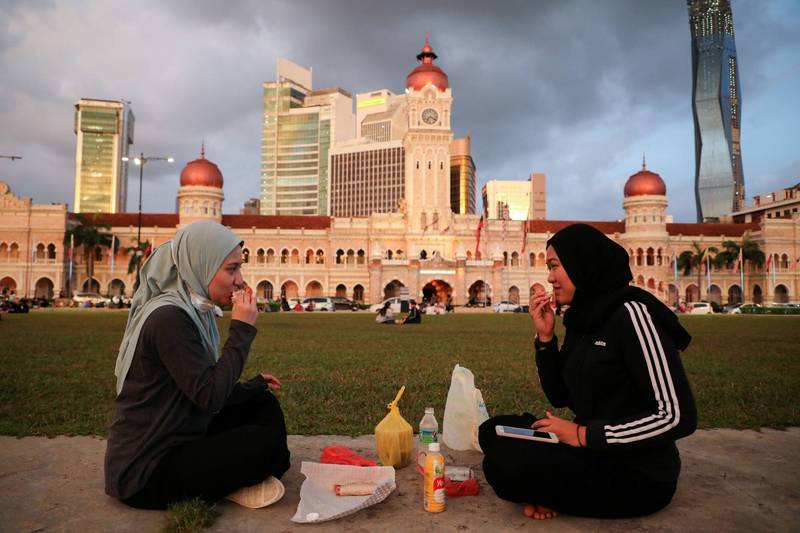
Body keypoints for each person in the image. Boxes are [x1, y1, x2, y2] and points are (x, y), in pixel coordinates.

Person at [479, 223, 696, 520]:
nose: (550, 277)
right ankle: (551, 489)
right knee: (492, 431)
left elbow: (677, 416)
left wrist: (582, 434)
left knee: (504, 466)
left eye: (555, 266)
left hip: (639, 473)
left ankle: (549, 490)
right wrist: (545, 340)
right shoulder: (583, 319)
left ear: (583, 265)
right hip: (593, 451)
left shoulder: (631, 314)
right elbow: (559, 396)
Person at [105, 220, 290, 510]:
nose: (240, 280)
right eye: (231, 269)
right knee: (265, 446)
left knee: (262, 405)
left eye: (238, 268)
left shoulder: (193, 310)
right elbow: (210, 397)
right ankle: (228, 482)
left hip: (183, 431)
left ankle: (230, 479)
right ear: (200, 266)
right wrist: (242, 330)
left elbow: (199, 387)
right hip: (147, 469)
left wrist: (251, 387)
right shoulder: (169, 318)